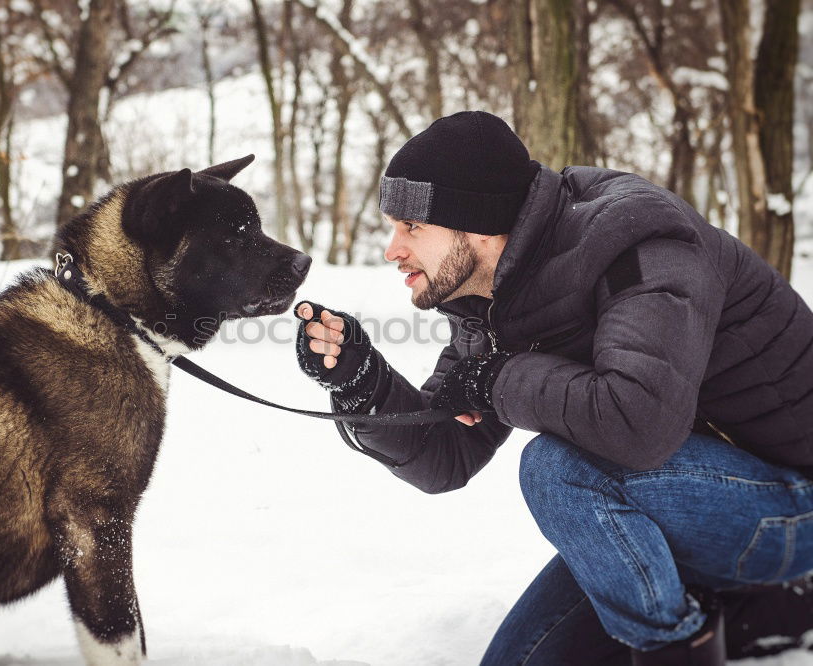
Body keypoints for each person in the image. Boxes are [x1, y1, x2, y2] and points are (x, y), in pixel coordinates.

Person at [293, 110, 813, 665]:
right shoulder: (490, 294)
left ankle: (685, 642)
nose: (393, 249)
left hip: (789, 505)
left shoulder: (643, 243)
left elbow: (639, 424)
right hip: (674, 506)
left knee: (557, 467)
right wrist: (360, 383)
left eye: (412, 228)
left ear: (477, 224)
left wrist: (493, 380)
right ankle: (746, 605)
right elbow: (446, 455)